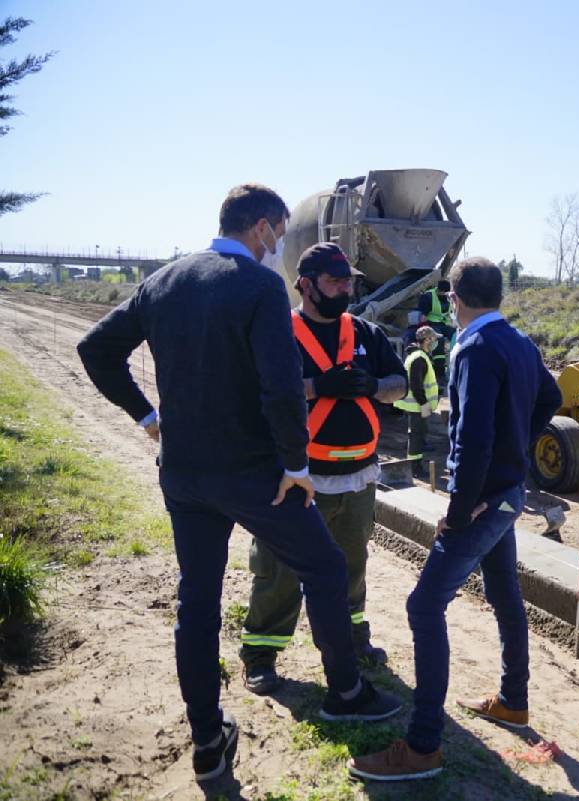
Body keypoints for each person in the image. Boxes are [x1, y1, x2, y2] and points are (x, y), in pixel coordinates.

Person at [76, 185, 401, 784]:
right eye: (278, 230)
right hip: (256, 476)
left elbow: (96, 349)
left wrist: (148, 417)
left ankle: (207, 738)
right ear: (260, 228)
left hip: (184, 474)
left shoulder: (164, 281)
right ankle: (346, 693)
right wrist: (297, 466)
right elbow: (279, 387)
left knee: (196, 603)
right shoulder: (257, 286)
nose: (279, 241)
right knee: (326, 569)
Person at [348, 257, 562, 782]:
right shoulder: (518, 342)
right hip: (508, 490)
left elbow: (471, 440)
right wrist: (518, 450)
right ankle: (513, 701)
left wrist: (459, 509)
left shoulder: (472, 346)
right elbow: (552, 400)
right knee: (505, 595)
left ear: (454, 297)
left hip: (486, 498)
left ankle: (423, 747)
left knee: (423, 606)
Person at [239, 242, 409, 695]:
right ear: (306, 284)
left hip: (358, 478)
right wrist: (316, 386)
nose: (345, 289)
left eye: (348, 281)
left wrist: (373, 385)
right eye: (335, 281)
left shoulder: (367, 334)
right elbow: (259, 394)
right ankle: (260, 653)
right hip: (297, 479)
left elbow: (399, 385)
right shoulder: (279, 333)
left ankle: (352, 640)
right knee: (279, 570)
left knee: (352, 565)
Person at [393, 325, 440, 480]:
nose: (435, 342)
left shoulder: (418, 355)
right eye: (433, 339)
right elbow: (416, 384)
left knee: (418, 435)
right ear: (426, 340)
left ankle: (416, 465)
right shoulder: (419, 357)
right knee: (416, 436)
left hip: (417, 405)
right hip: (418, 405)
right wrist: (424, 404)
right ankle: (415, 468)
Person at [417, 279, 455, 383]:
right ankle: (439, 373)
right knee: (439, 339)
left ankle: (454, 367)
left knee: (457, 335)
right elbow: (422, 317)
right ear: (438, 290)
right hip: (431, 324)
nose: (444, 294)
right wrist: (423, 330)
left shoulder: (449, 297)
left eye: (446, 292)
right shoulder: (428, 297)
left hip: (444, 324)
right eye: (443, 292)